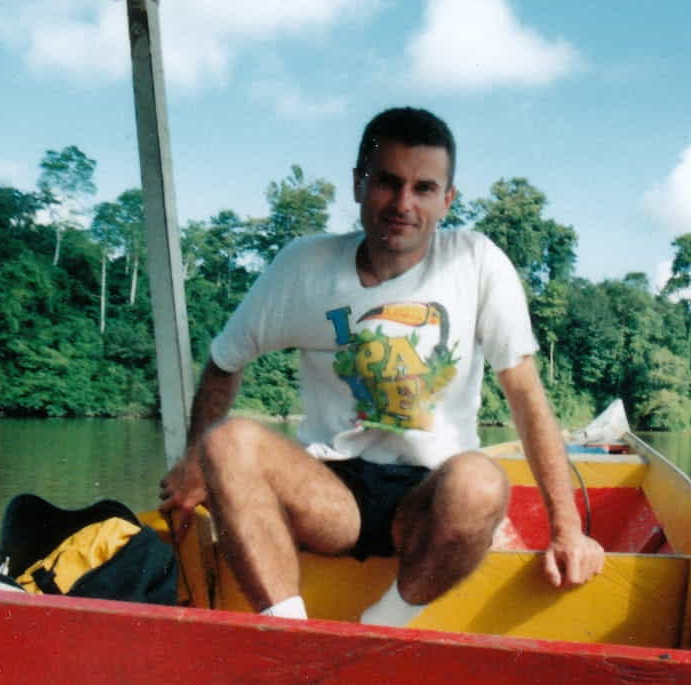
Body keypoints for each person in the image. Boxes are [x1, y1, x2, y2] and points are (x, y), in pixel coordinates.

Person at [159, 107, 603, 626]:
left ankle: (384, 623)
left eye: (423, 188)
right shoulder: (304, 266)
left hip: (428, 499)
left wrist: (567, 528)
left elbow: (526, 398)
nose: (403, 204)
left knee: (482, 481)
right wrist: (193, 461)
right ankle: (289, 633)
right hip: (328, 491)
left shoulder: (476, 261)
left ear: (447, 199)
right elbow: (223, 362)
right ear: (358, 184)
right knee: (225, 441)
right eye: (387, 183)